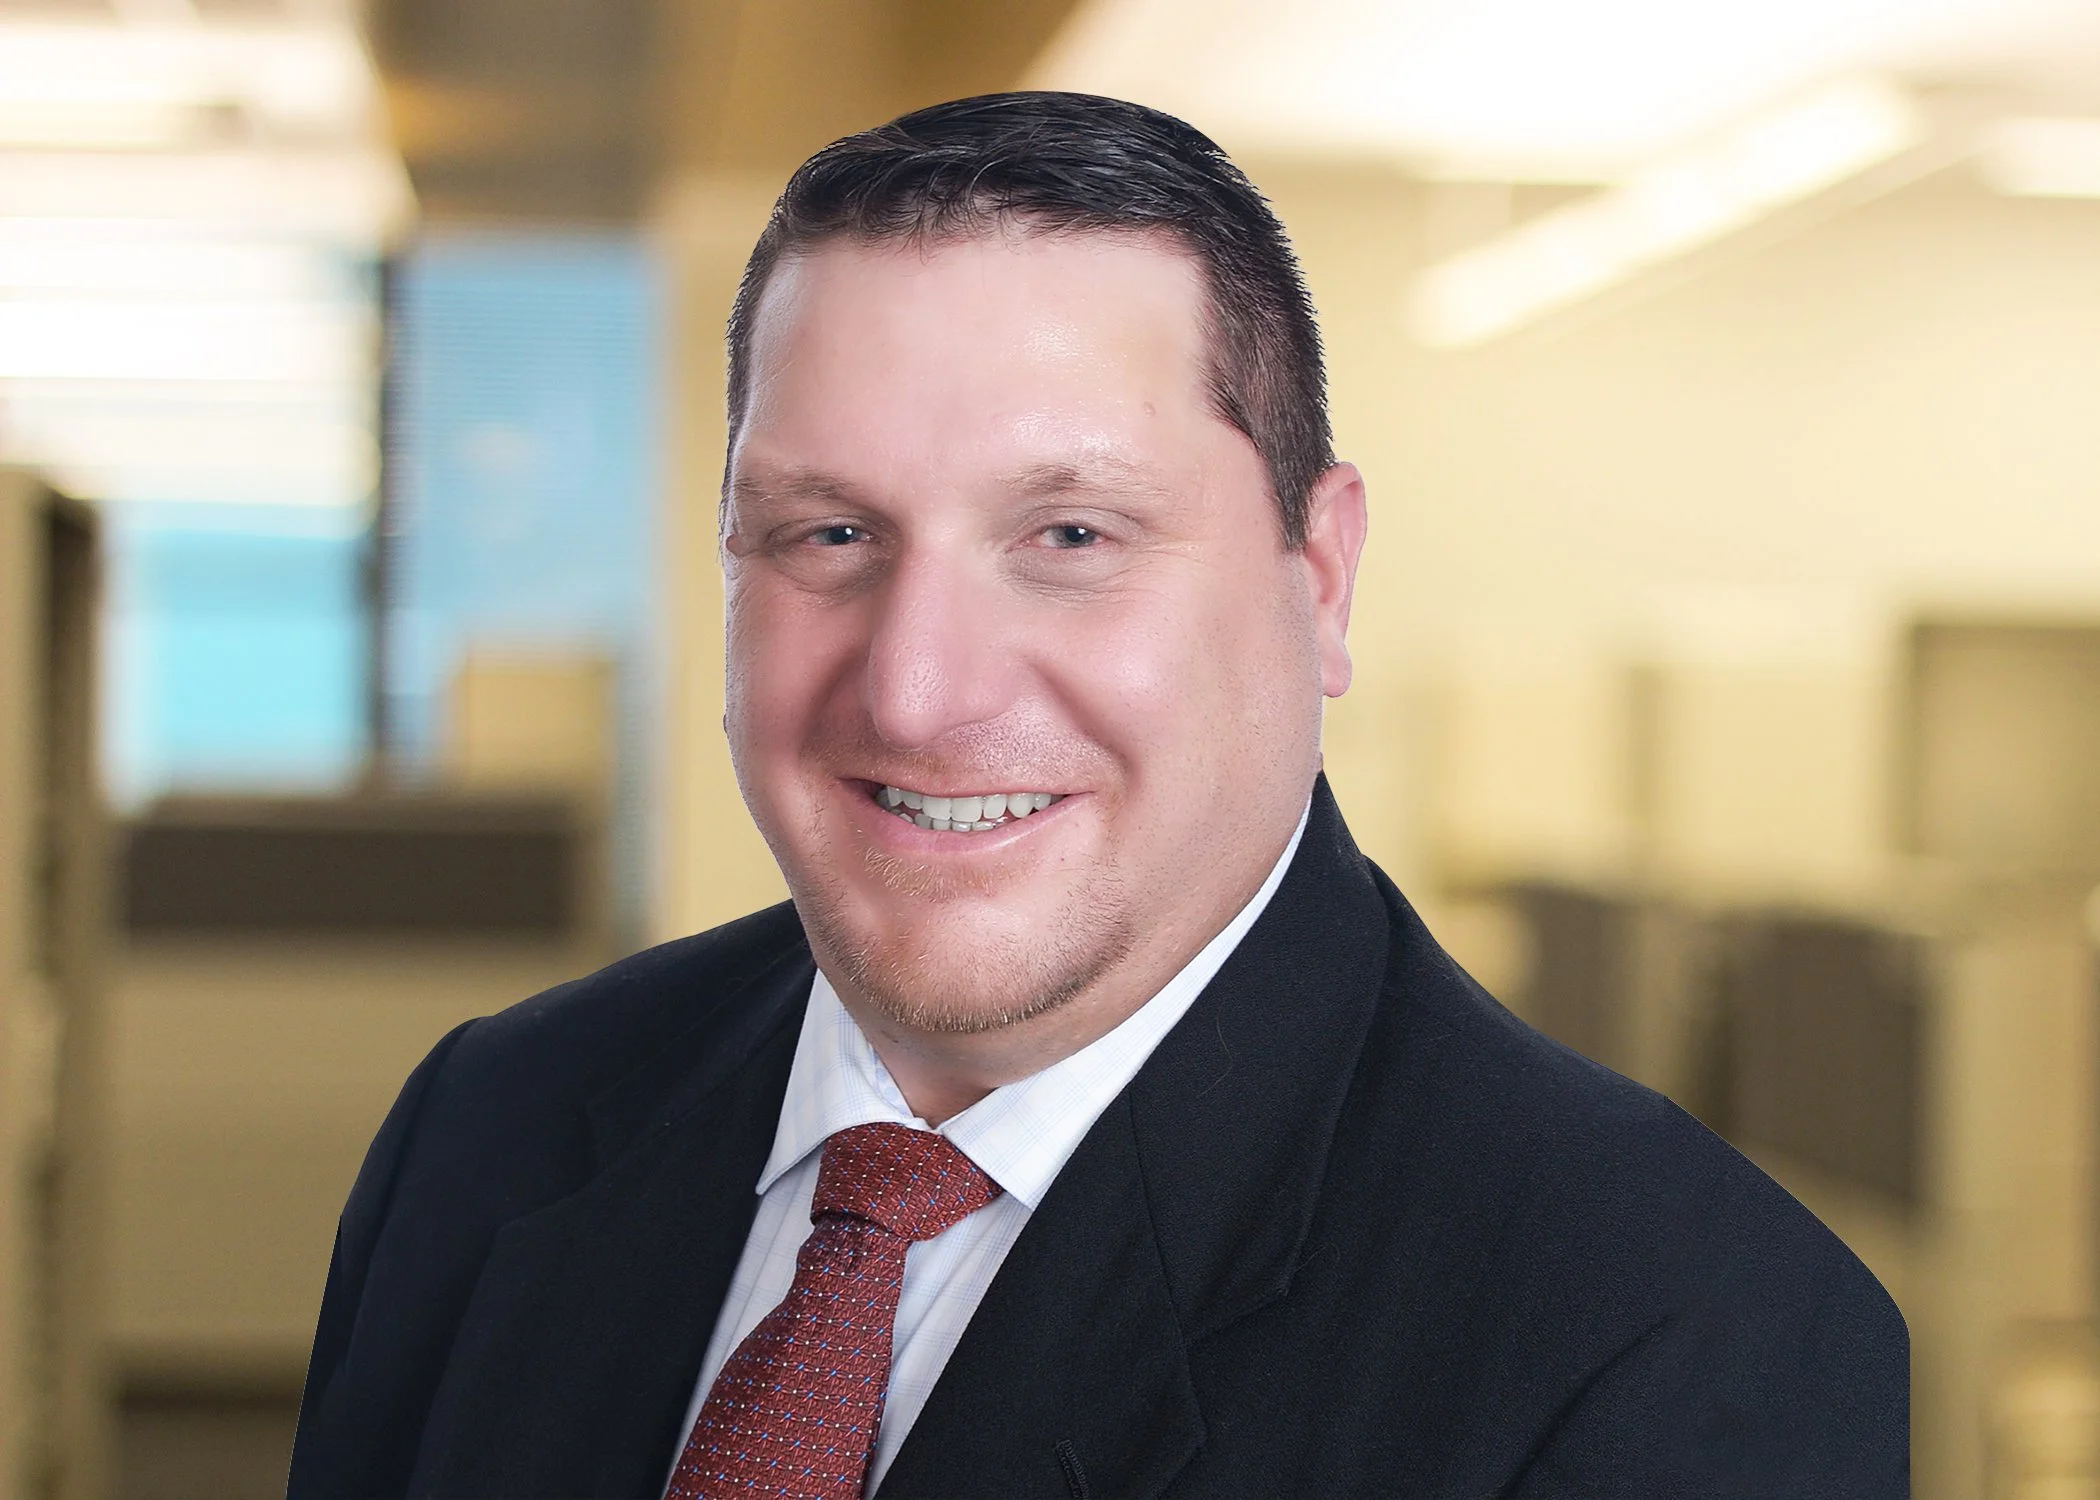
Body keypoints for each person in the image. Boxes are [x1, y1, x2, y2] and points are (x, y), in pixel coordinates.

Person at [287, 92, 1908, 1499]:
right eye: (829, 536)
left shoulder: (1672, 1339)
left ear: (1322, 575)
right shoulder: (491, 1127)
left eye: (1069, 537)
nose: (918, 691)